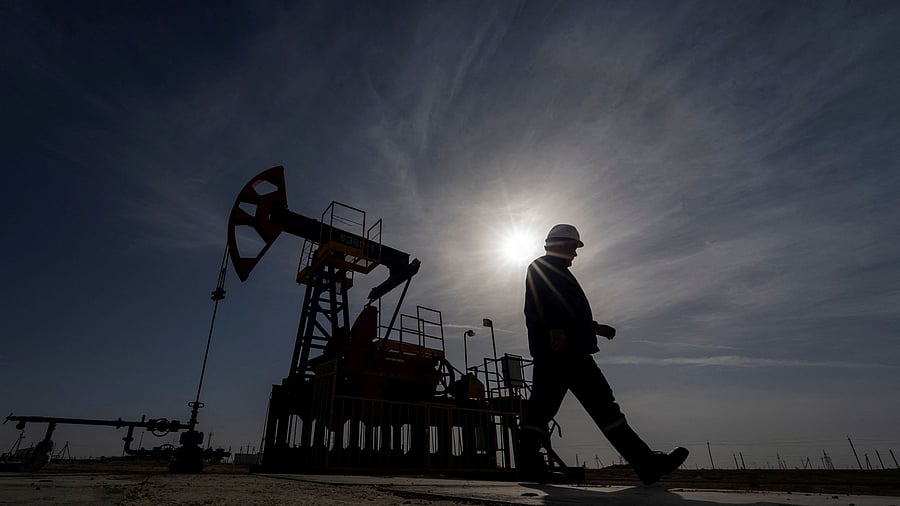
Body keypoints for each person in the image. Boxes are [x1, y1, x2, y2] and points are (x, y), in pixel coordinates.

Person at [518, 223, 689, 484]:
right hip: (558, 353)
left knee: (598, 410)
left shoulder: (560, 272)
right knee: (544, 409)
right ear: (561, 245)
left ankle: (647, 465)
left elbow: (568, 310)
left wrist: (594, 327)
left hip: (572, 351)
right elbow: (542, 303)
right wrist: (556, 329)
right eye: (573, 247)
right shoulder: (541, 267)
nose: (575, 253)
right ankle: (529, 465)